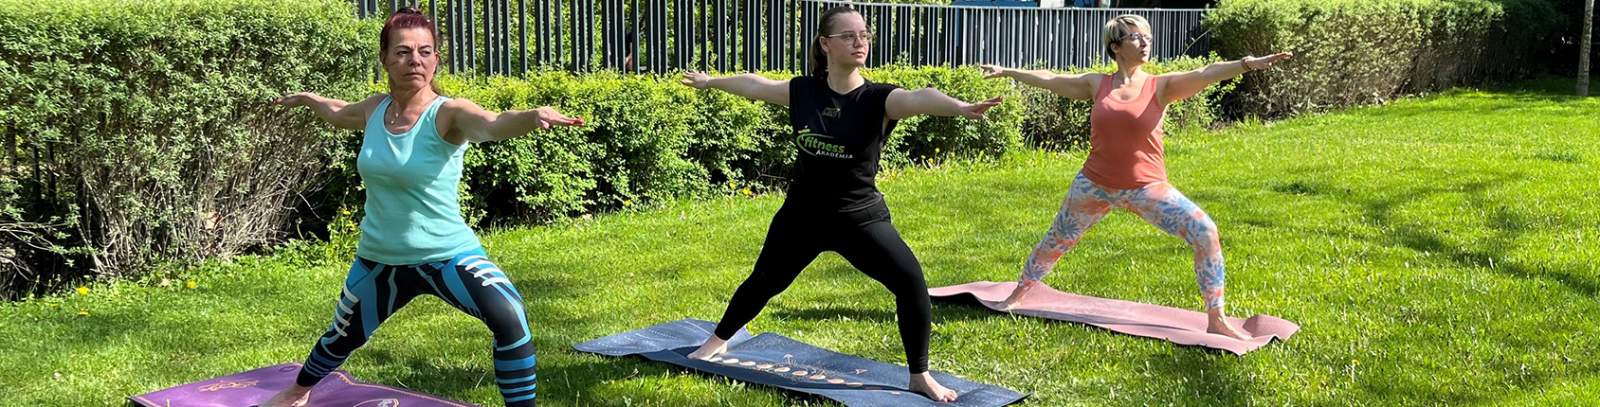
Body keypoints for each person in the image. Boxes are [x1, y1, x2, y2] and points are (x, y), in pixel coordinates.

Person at [677, 6, 1002, 403]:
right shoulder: (803, 92)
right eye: (848, 35)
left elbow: (921, 97)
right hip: (802, 216)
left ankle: (919, 375)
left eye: (864, 34)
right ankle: (717, 341)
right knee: (764, 281)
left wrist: (961, 107)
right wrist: (710, 81)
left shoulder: (880, 99)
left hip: (859, 218)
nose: (859, 41)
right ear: (825, 44)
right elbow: (754, 85)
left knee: (911, 283)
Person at [261, 8, 583, 407]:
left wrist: (533, 116)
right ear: (384, 59)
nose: (414, 60)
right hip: (381, 261)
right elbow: (338, 112)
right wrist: (310, 99)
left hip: (447, 255)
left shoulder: (448, 113)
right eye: (402, 52)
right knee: (341, 336)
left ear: (435, 60)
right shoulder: (374, 109)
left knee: (510, 316)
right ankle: (296, 393)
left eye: (424, 51)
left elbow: (493, 123)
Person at [981, 14, 1291, 340]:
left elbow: (1205, 73)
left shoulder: (1161, 86)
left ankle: (1216, 318)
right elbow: (1051, 78)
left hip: (1146, 188)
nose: (1145, 43)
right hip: (1094, 184)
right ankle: (1017, 294)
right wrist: (1008, 71)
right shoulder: (1096, 84)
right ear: (1115, 47)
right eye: (1136, 37)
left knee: (1205, 231)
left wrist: (1247, 64)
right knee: (1056, 240)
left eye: (1148, 37)